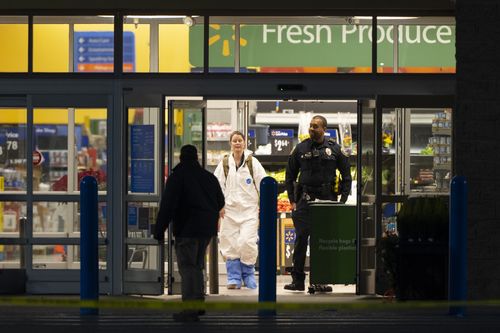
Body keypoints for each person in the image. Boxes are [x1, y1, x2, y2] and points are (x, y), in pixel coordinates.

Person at [154, 144, 225, 322]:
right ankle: (198, 303)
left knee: (188, 268)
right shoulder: (208, 177)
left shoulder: (177, 177)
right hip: (206, 231)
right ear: (196, 158)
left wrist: (159, 230)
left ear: (181, 158)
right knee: (198, 266)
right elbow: (220, 201)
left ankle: (190, 309)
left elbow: (167, 206)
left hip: (186, 229)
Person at [284, 115, 352, 292]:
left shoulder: (335, 149)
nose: (311, 129)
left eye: (315, 126)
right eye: (310, 126)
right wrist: (292, 200)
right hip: (304, 202)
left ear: (324, 129)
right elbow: (289, 176)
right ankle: (297, 280)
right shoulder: (300, 148)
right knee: (301, 240)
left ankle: (321, 280)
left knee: (322, 241)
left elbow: (347, 176)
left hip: (327, 201)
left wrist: (342, 201)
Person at [214, 131, 267, 290]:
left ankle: (248, 274)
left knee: (247, 242)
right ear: (230, 144)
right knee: (229, 243)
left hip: (249, 212)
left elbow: (263, 183)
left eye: (240, 141)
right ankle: (234, 277)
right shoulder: (224, 163)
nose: (237, 143)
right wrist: (219, 205)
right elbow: (216, 186)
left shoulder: (253, 163)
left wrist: (263, 206)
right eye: (234, 141)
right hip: (228, 212)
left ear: (245, 143)